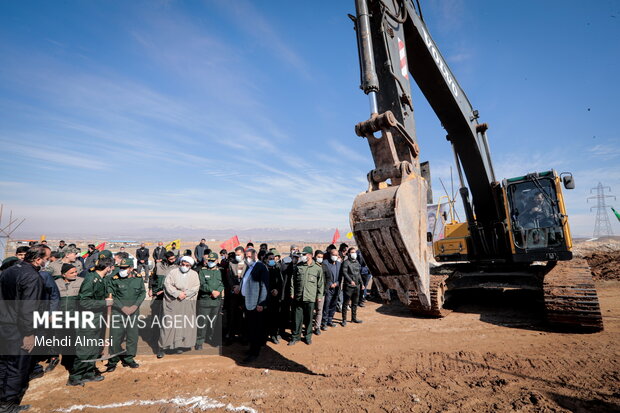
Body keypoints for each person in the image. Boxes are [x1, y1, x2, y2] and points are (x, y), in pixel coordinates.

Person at [0, 244, 48, 412]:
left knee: (4, 364)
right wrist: (28, 333)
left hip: (4, 324)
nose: (46, 262)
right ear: (37, 259)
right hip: (18, 328)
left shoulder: (9, 270)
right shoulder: (32, 277)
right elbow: (28, 308)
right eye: (46, 259)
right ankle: (7, 404)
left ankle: (2, 397)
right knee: (17, 367)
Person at [68, 257, 115, 386]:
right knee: (84, 349)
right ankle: (76, 376)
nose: (113, 269)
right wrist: (104, 302)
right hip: (87, 320)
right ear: (108, 267)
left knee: (93, 348)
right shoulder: (90, 279)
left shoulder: (102, 279)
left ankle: (89, 372)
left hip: (96, 319)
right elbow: (83, 301)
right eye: (112, 267)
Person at [105, 258, 145, 372]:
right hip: (118, 313)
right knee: (115, 337)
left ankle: (129, 358)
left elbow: (142, 292)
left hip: (133, 313)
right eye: (121, 267)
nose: (121, 270)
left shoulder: (138, 278)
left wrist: (135, 306)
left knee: (132, 337)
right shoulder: (114, 278)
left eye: (125, 268)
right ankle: (113, 360)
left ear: (131, 268)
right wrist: (122, 307)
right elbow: (111, 295)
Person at [158, 256, 200, 357]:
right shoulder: (173, 272)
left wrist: (185, 294)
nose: (184, 266)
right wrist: (177, 293)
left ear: (190, 266)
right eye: (183, 264)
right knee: (169, 324)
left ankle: (179, 345)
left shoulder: (194, 274)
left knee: (183, 324)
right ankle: (163, 347)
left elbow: (195, 287)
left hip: (186, 301)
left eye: (187, 265)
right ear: (180, 263)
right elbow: (167, 284)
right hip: (173, 301)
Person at [288, 247, 324, 346]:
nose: (302, 256)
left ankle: (308, 337)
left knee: (309, 319)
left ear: (310, 255)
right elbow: (293, 280)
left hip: (310, 297)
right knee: (297, 318)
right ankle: (295, 336)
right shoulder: (299, 266)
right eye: (302, 255)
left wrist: (319, 296)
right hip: (298, 296)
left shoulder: (317, 268)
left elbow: (320, 283)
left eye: (304, 255)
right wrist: (292, 292)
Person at [240, 248, 269, 363]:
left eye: (248, 256)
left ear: (254, 255)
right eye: (246, 256)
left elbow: (264, 286)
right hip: (247, 303)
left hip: (255, 304)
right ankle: (251, 349)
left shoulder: (261, 267)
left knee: (256, 329)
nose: (247, 258)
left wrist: (261, 303)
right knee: (250, 328)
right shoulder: (249, 267)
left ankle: (254, 353)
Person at [55, 263, 83, 374]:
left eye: (76, 272)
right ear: (63, 275)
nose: (75, 274)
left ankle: (74, 364)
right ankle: (66, 360)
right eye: (72, 273)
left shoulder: (81, 281)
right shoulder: (56, 283)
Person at [150, 251, 178, 358]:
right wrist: (150, 289)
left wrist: (167, 291)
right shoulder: (158, 266)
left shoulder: (176, 267)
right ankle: (156, 342)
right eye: (171, 259)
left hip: (170, 298)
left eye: (174, 258)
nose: (173, 260)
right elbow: (152, 278)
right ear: (166, 259)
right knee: (157, 319)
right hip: (158, 297)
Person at [195, 252, 224, 350]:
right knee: (203, 322)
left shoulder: (220, 271)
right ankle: (199, 341)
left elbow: (222, 283)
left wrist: (218, 291)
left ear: (217, 261)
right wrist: (212, 291)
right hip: (205, 301)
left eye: (213, 261)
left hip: (216, 301)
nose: (211, 262)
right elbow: (202, 284)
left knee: (214, 322)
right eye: (209, 260)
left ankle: (212, 338)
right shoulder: (202, 271)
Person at [224, 246, 246, 344]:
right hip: (233, 294)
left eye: (239, 255)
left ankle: (242, 335)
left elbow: (247, 278)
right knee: (232, 314)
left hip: (244, 294)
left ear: (243, 254)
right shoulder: (231, 264)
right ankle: (231, 335)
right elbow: (229, 278)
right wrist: (234, 287)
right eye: (236, 254)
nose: (237, 256)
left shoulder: (248, 264)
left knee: (243, 315)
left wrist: (240, 287)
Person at [341, 247, 363, 326]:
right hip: (348, 286)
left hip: (357, 286)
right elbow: (344, 273)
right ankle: (344, 320)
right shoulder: (346, 263)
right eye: (352, 252)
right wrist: (350, 281)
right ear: (349, 253)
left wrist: (362, 284)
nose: (354, 254)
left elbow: (358, 274)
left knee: (355, 303)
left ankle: (354, 318)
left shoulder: (357, 262)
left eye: (354, 252)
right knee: (346, 303)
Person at [264, 251, 283, 344]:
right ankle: (264, 337)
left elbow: (280, 282)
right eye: (270, 259)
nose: (272, 260)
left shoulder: (276, 270)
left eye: (273, 259)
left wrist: (277, 290)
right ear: (266, 260)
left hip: (275, 298)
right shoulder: (263, 271)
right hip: (265, 298)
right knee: (265, 318)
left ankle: (274, 335)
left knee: (274, 318)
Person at [321, 247, 342, 329]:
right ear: (330, 255)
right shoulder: (325, 263)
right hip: (328, 288)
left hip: (336, 288)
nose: (335, 256)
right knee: (326, 305)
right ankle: (324, 323)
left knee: (333, 305)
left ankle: (330, 320)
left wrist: (336, 283)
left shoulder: (339, 264)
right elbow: (324, 276)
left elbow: (340, 277)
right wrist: (330, 284)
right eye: (333, 255)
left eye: (336, 255)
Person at [312, 250, 326, 335]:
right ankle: (309, 326)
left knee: (319, 310)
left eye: (321, 257)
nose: (320, 259)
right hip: (311, 292)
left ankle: (317, 327)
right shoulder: (311, 265)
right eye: (318, 257)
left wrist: (325, 289)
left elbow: (328, 278)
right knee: (310, 311)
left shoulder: (324, 266)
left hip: (321, 293)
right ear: (315, 256)